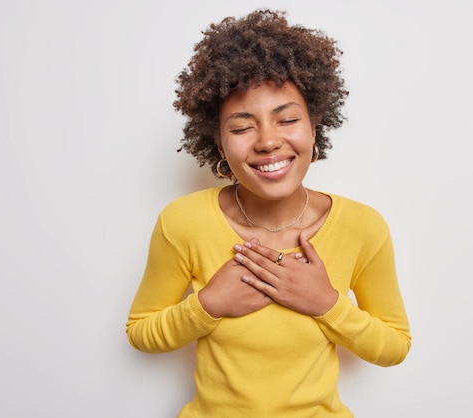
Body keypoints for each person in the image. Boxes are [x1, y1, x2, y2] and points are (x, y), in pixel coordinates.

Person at [126, 9, 411, 417]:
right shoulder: (183, 222)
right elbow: (141, 332)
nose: (267, 141)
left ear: (315, 127)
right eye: (242, 128)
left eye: (288, 119)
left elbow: (394, 346)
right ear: (220, 146)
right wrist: (207, 305)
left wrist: (326, 303)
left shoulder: (363, 228)